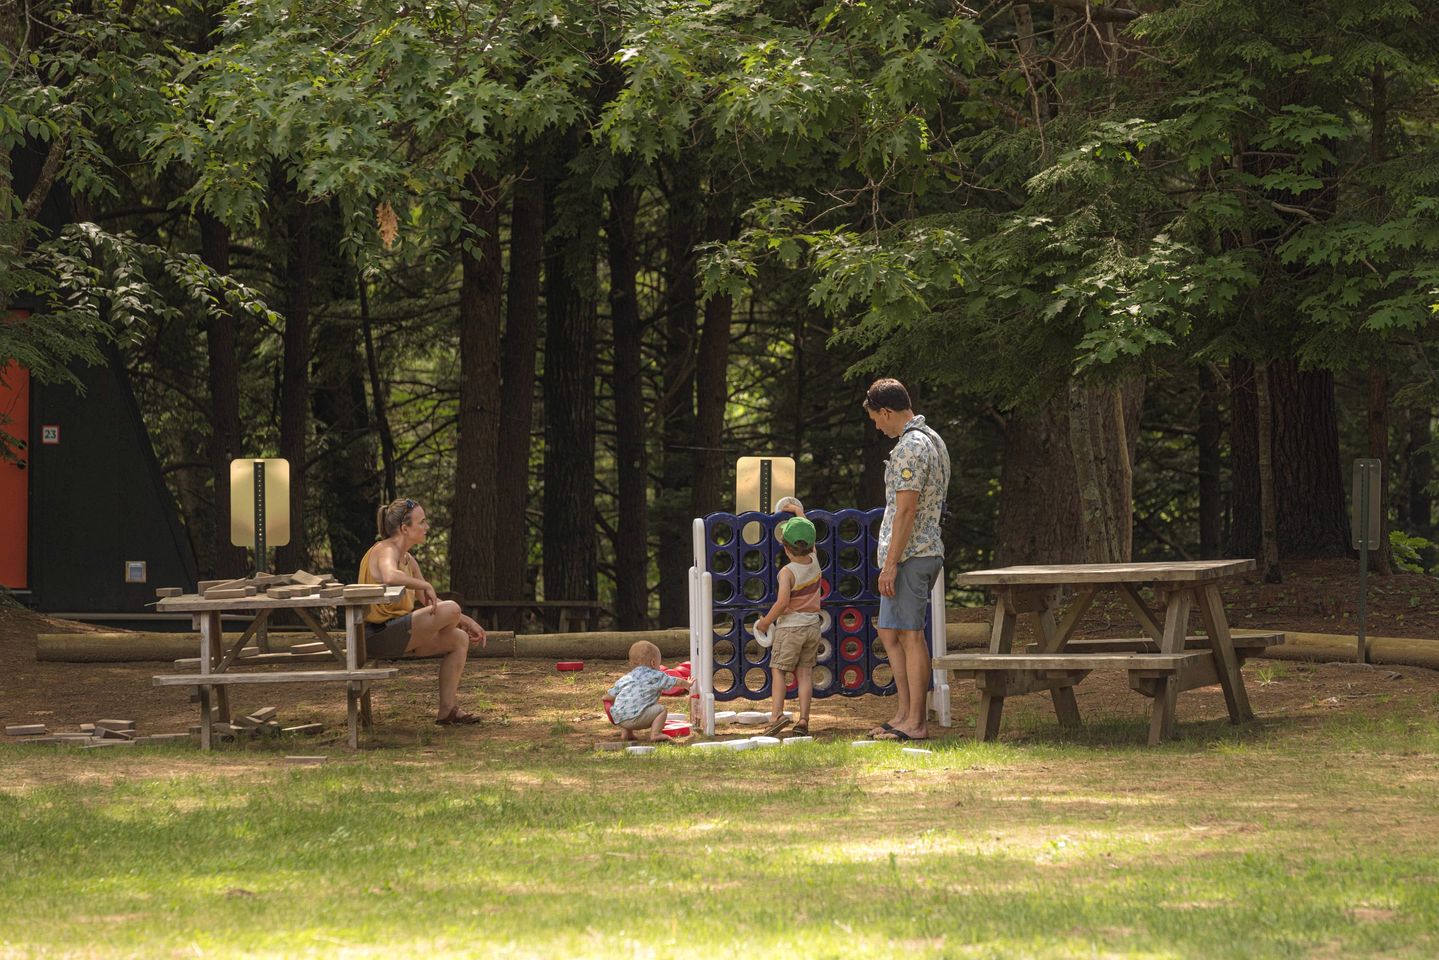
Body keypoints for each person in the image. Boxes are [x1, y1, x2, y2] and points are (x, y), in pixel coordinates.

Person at [863, 378, 950, 742]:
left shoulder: (910, 448)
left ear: (886, 411)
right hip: (919, 549)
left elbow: (906, 510)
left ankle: (916, 721)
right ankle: (903, 712)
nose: (877, 427)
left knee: (910, 635)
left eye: (876, 420)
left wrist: (891, 563)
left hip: (912, 553)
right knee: (889, 630)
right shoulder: (932, 438)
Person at [359, 497, 488, 725]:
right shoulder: (385, 549)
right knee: (453, 609)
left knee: (458, 639)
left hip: (400, 633)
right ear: (404, 528)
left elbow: (433, 605)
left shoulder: (409, 560)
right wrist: (424, 585)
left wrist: (467, 621)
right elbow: (390, 576)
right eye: (422, 522)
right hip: (376, 636)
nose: (427, 527)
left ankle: (447, 710)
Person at [754, 513, 823, 738]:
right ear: (811, 545)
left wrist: (765, 622)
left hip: (790, 628)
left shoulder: (787, 572)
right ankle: (803, 719)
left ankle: (776, 716)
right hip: (813, 627)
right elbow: (808, 535)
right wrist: (799, 513)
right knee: (804, 674)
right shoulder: (815, 561)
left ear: (785, 548)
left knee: (779, 670)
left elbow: (783, 603)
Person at [605, 640, 694, 742]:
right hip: (637, 719)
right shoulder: (656, 675)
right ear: (653, 663)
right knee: (661, 709)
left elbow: (608, 697)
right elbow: (675, 681)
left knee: (627, 703)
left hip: (619, 719)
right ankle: (656, 734)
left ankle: (626, 733)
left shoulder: (626, 678)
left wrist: (608, 705)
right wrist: (688, 684)